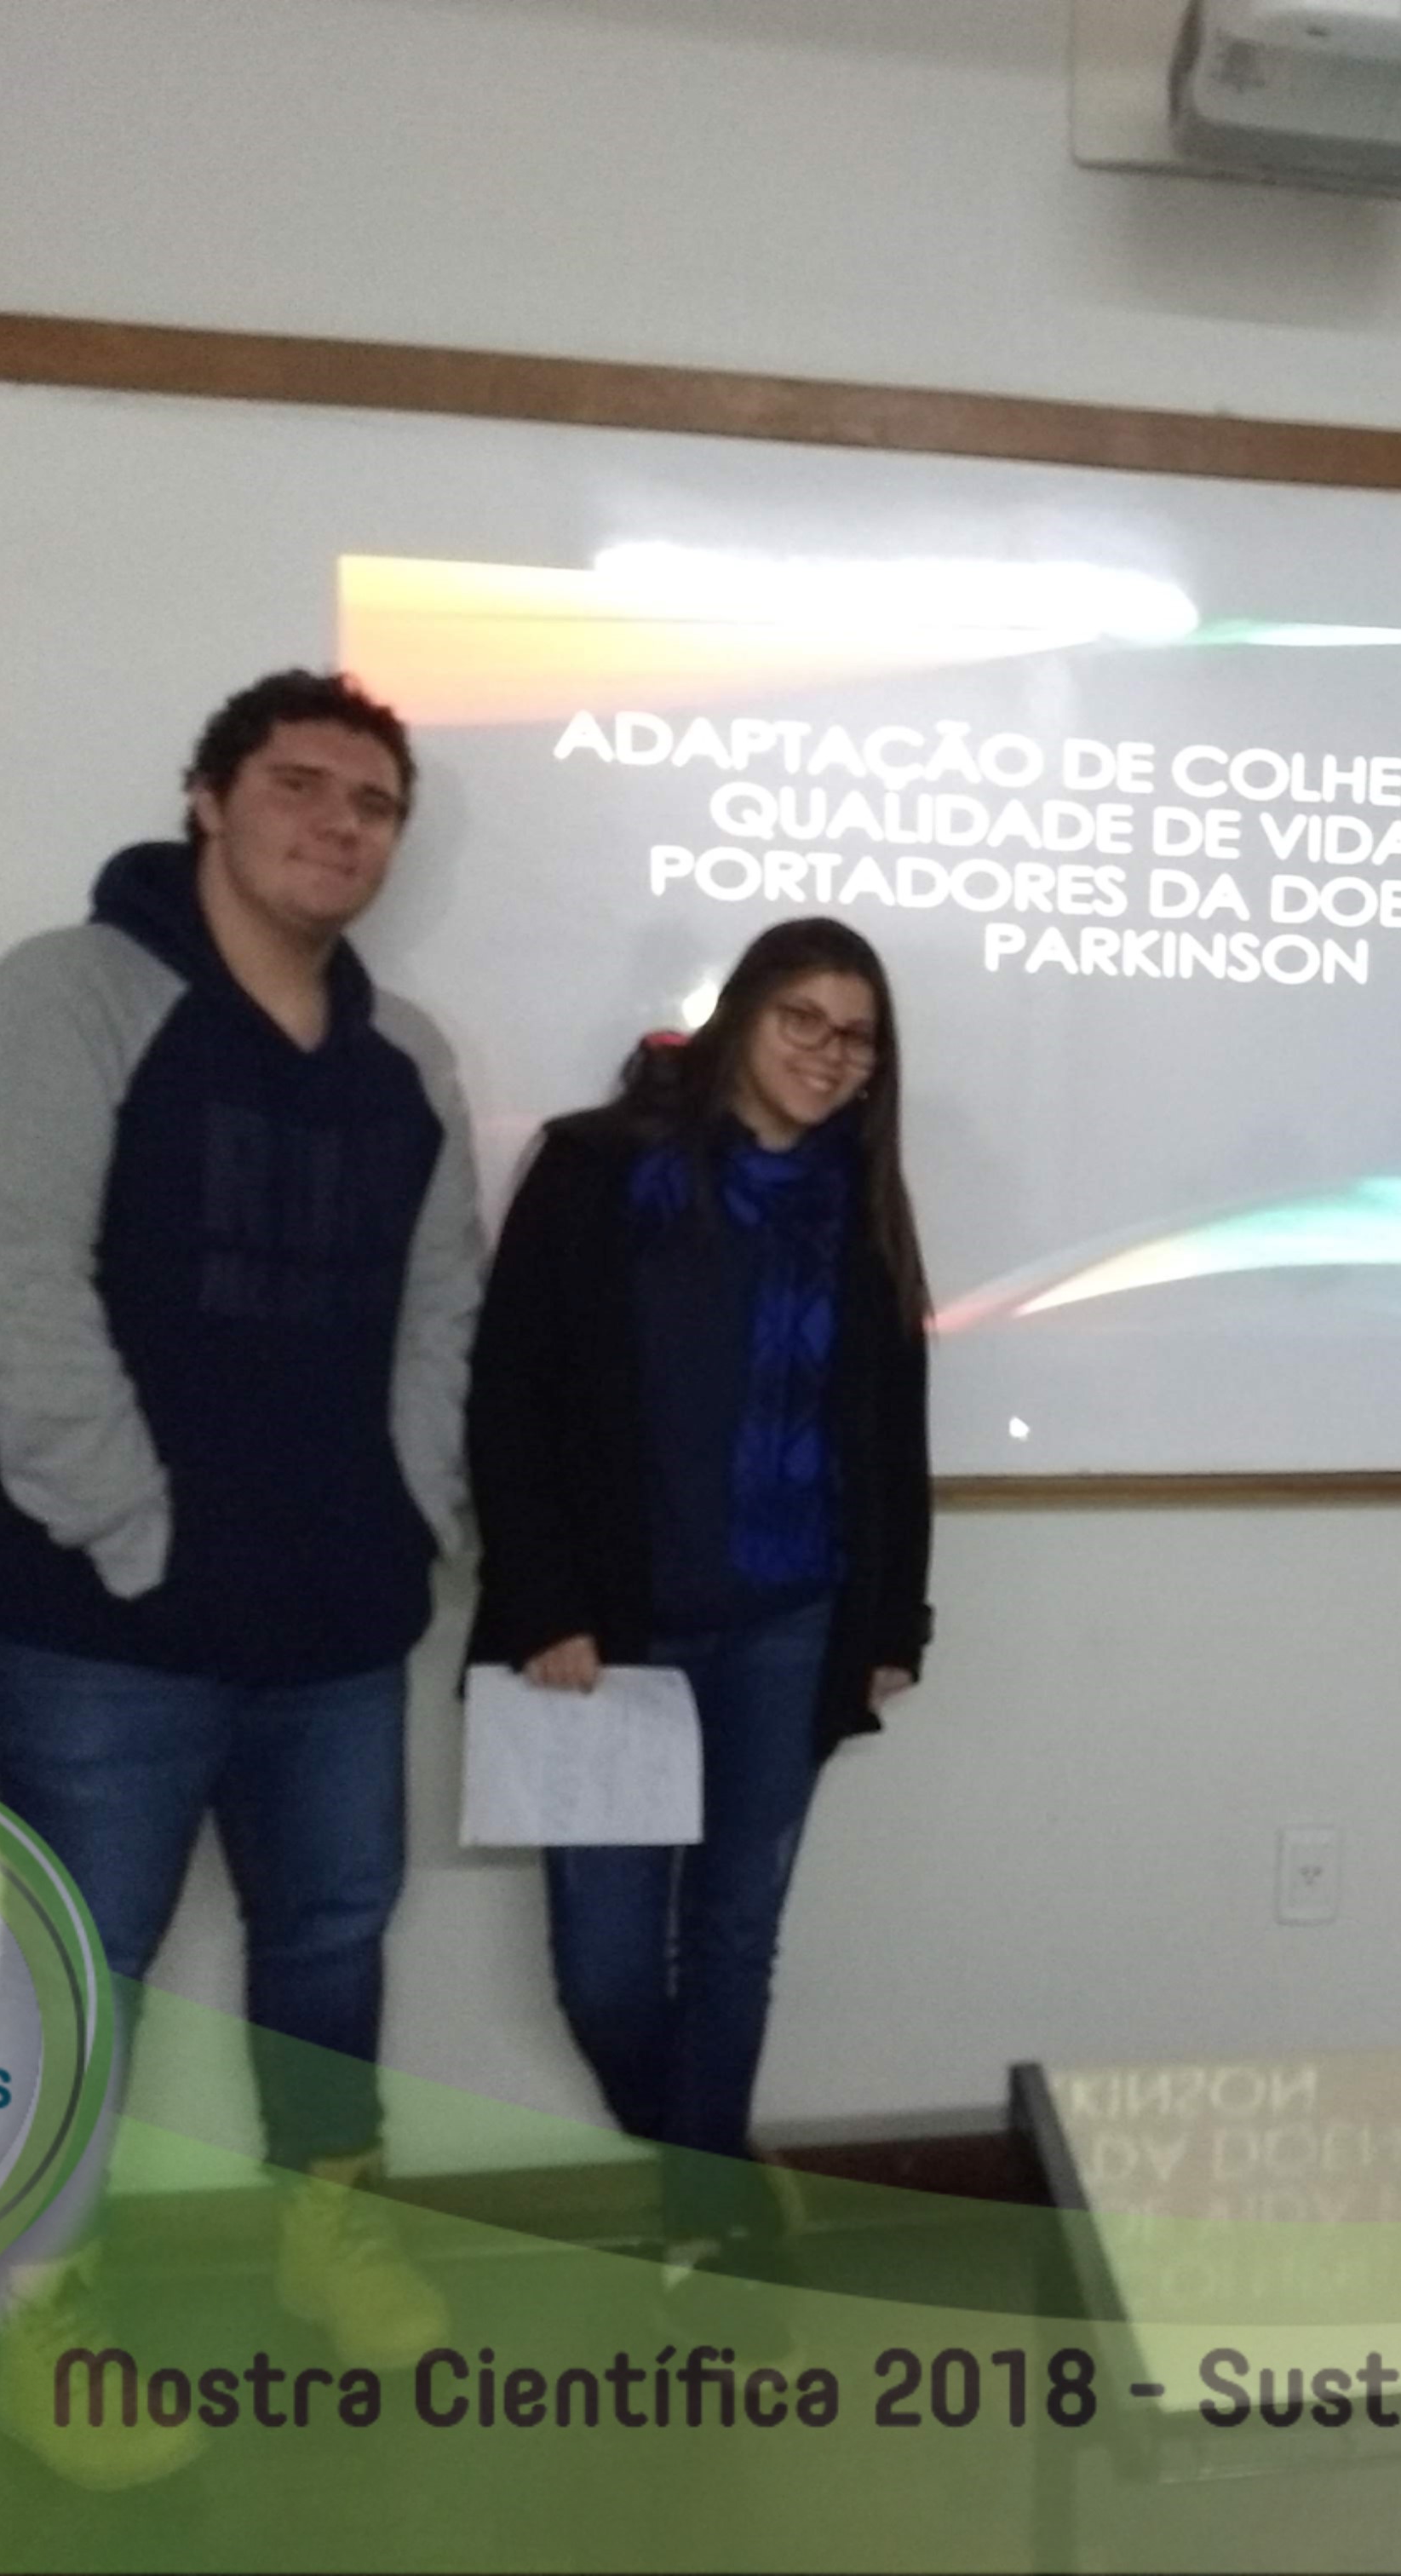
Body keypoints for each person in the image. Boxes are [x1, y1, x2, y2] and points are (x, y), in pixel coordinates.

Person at [0, 669, 479, 2477]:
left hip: (339, 1611)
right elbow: (7, 1282)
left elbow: (443, 1309)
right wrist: (136, 1532)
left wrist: (412, 1510)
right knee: (82, 1963)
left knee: (331, 1937)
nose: (340, 824)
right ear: (208, 799)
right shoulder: (68, 996)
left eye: (373, 803)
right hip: (102, 1621)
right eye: (301, 784)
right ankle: (42, 2320)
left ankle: (331, 2233)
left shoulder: (408, 1060)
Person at [467, 917, 933, 2271]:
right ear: (742, 1018)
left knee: (734, 1938)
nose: (829, 1055)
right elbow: (510, 1398)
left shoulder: (861, 1209)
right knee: (605, 1974)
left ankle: (705, 2230)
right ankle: (711, 2169)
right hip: (610, 1640)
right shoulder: (598, 1168)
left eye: (858, 1038)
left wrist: (891, 1622)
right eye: (804, 1020)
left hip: (790, 1628)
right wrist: (544, 1602)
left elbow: (891, 1434)